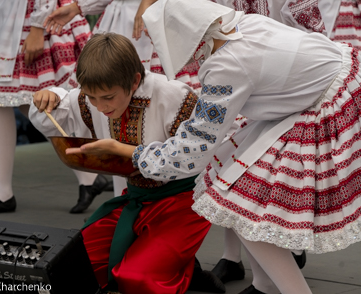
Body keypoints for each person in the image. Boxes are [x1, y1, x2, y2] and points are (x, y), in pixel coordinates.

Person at [71, 0, 361, 293]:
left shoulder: (227, 65)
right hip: (329, 85)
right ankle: (266, 285)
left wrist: (132, 153)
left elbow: (194, 149)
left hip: (326, 104)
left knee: (234, 199)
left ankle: (291, 290)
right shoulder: (241, 26)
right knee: (238, 194)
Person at [29, 33, 226, 294]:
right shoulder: (93, 96)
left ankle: (186, 273)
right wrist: (49, 96)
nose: (100, 107)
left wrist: (127, 151)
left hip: (183, 202)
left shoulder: (172, 95)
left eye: (108, 98)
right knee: (72, 261)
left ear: (134, 81)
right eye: (92, 97)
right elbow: (60, 108)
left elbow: (198, 154)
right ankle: (180, 266)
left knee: (136, 278)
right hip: (135, 199)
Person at [0, 0, 109, 215]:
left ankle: (2, 191)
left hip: (34, 16)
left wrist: (37, 27)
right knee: (20, 102)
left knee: (25, 101)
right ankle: (88, 178)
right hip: (17, 16)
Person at [42, 0, 202, 93]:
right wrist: (77, 7)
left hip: (152, 18)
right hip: (116, 21)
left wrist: (146, 2)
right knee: (104, 92)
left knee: (156, 94)